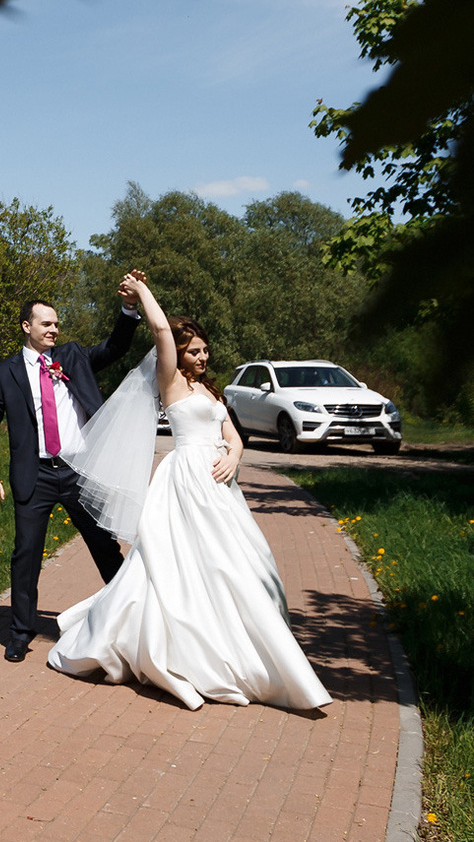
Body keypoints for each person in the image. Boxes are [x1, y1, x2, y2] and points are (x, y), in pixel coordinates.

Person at [45, 272, 331, 712]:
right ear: (176, 354)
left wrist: (234, 456)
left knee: (240, 565)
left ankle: (244, 647)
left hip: (222, 487)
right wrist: (141, 294)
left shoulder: (208, 388)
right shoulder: (171, 381)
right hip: (186, 482)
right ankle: (189, 653)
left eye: (205, 349)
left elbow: (233, 435)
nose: (203, 355)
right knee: (184, 565)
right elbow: (161, 329)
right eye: (194, 350)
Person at [0, 283, 144, 662]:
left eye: (56, 324)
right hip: (34, 475)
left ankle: (131, 617)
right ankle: (19, 632)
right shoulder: (5, 373)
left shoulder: (72, 356)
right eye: (45, 324)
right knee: (26, 554)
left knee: (104, 547)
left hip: (79, 471)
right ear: (26, 327)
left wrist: (128, 310)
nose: (53, 330)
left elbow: (114, 347)